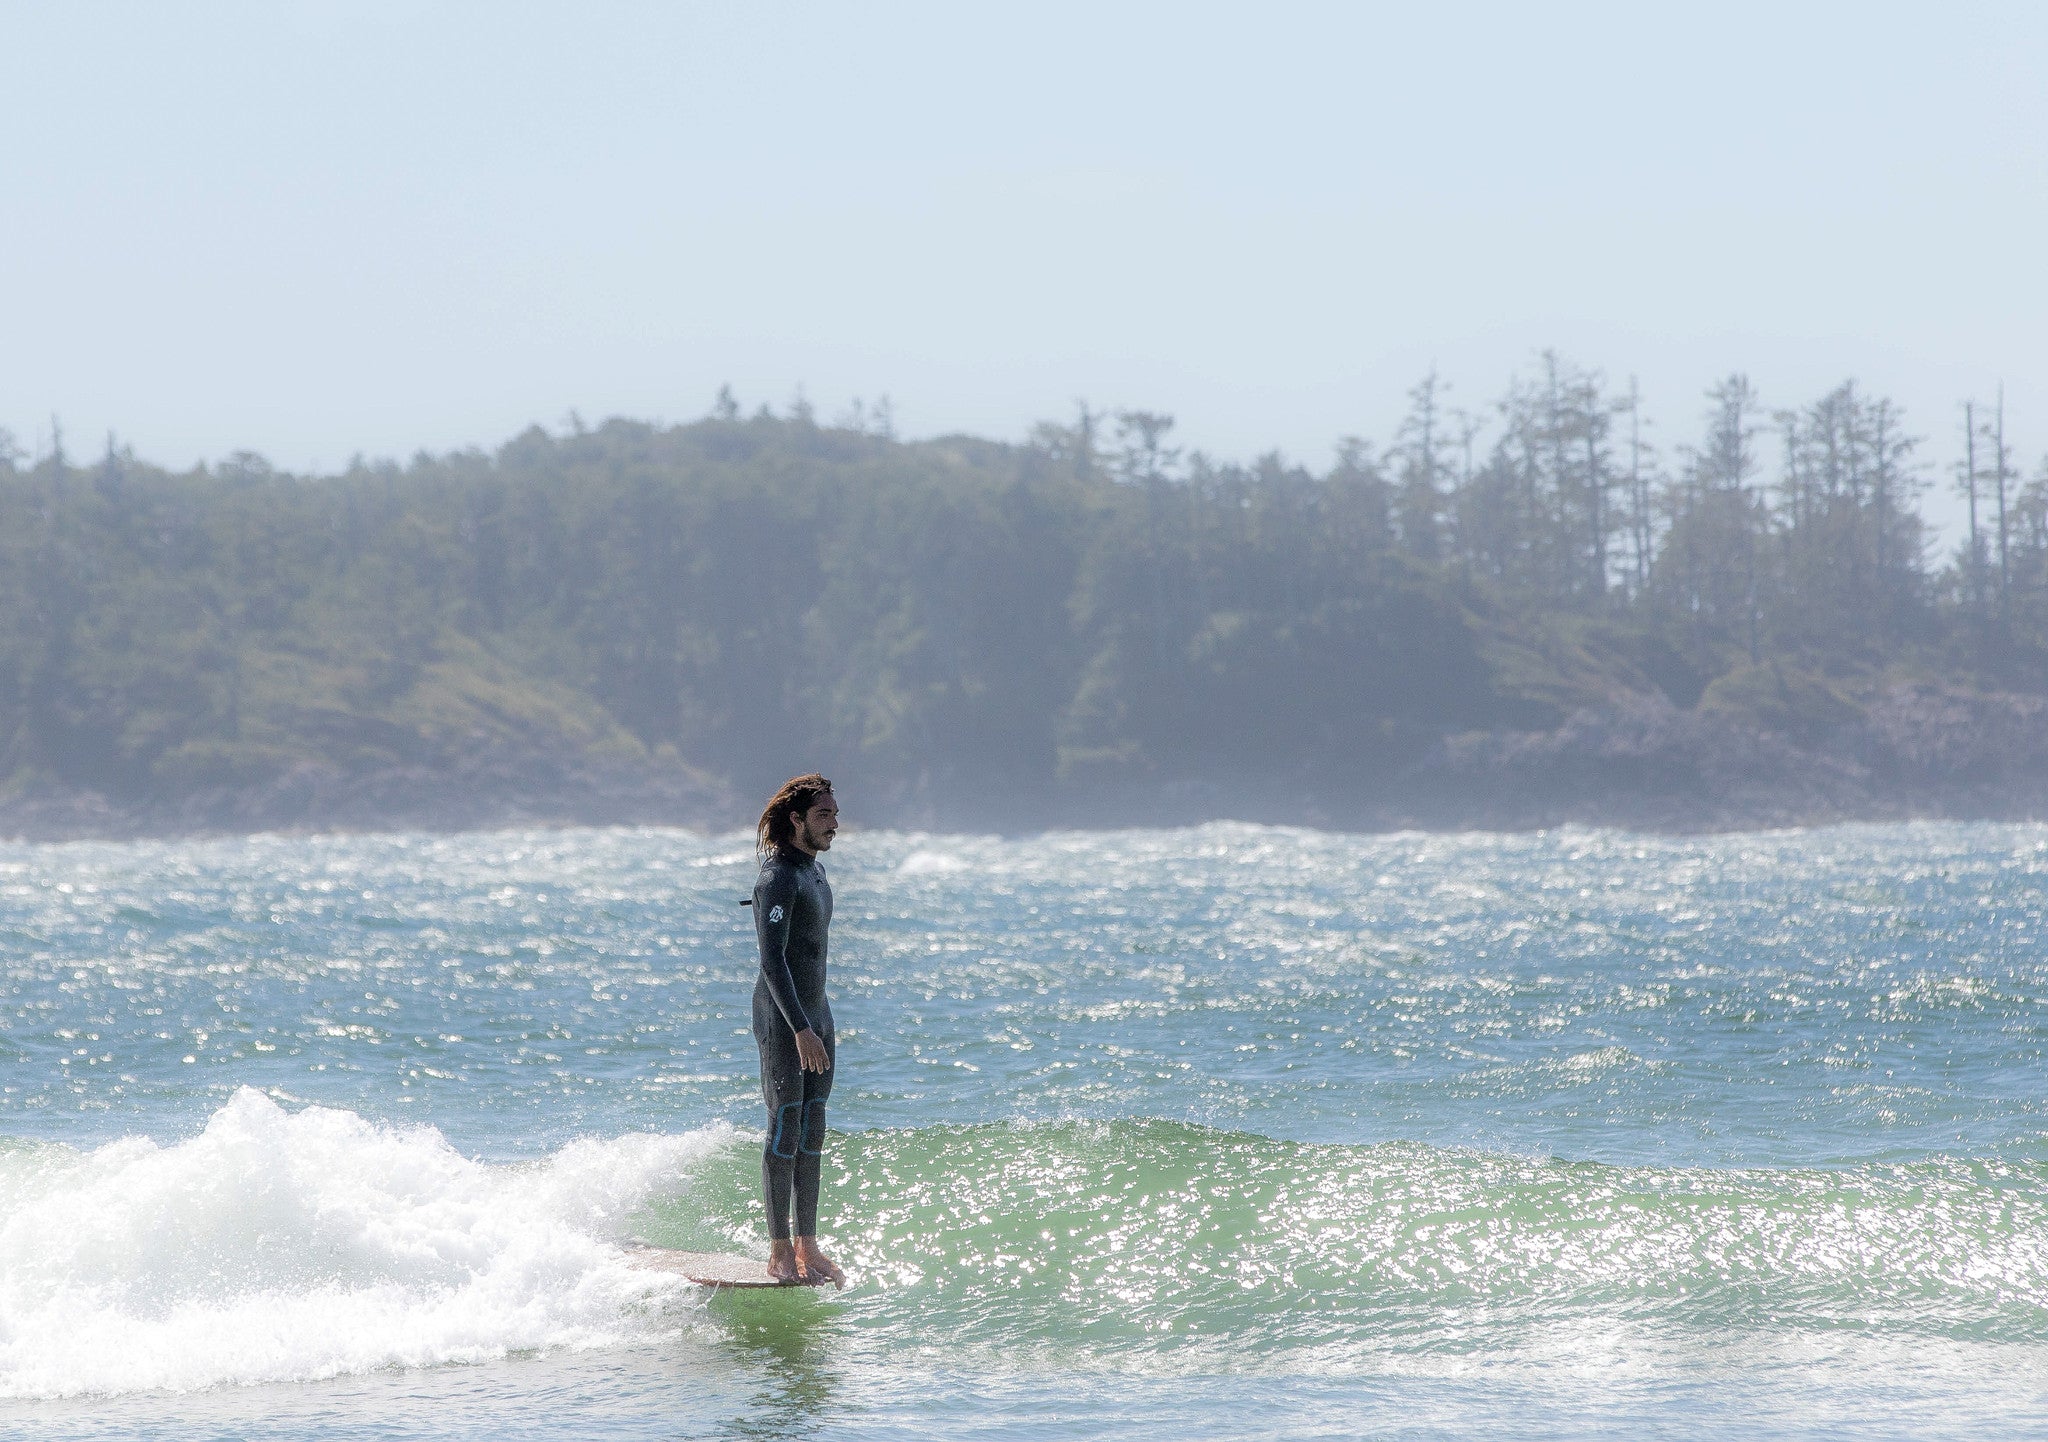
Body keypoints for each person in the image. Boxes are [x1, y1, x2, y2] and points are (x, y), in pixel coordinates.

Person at [750, 773, 845, 1285]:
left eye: (834, 813)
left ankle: (810, 1244)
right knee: (785, 1124)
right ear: (797, 819)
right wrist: (799, 1029)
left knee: (813, 1128)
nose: (834, 823)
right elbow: (773, 961)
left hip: (818, 1016)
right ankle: (780, 1249)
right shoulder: (778, 878)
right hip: (784, 1020)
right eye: (824, 815)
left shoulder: (816, 873)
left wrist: (817, 1024)